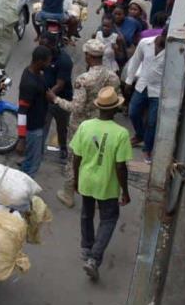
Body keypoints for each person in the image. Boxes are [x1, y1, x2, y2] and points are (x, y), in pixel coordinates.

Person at [47, 39, 120, 208]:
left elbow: (76, 107)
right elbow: (116, 101)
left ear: (88, 56)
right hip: (102, 125)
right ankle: (95, 196)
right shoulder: (113, 77)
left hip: (81, 127)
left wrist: (56, 99)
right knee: (97, 159)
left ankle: (68, 194)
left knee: (75, 159)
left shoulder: (84, 79)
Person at [68, 86, 132, 281]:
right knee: (109, 219)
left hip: (86, 179)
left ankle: (86, 248)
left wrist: (76, 180)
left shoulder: (86, 126)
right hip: (107, 184)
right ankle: (94, 259)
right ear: (115, 109)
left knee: (87, 214)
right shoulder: (121, 133)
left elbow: (76, 157)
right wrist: (125, 191)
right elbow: (121, 167)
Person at [125, 31, 166, 163]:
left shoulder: (174, 50)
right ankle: (140, 134)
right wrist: (129, 81)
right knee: (133, 112)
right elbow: (135, 61)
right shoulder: (145, 43)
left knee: (152, 121)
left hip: (159, 90)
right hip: (142, 85)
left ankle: (147, 149)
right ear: (163, 35)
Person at [18, 46, 52, 177]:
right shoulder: (29, 83)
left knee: (31, 160)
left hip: (39, 124)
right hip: (33, 129)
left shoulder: (38, 73)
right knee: (32, 165)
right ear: (39, 61)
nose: (49, 64)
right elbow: (22, 111)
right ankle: (25, 191)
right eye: (47, 61)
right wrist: (21, 139)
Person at [41, 34, 72, 160]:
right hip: (46, 98)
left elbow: (60, 85)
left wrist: (46, 96)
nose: (42, 49)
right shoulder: (42, 56)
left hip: (61, 100)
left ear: (53, 45)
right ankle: (37, 151)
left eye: (45, 46)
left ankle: (63, 147)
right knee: (42, 125)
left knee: (62, 126)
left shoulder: (64, 60)